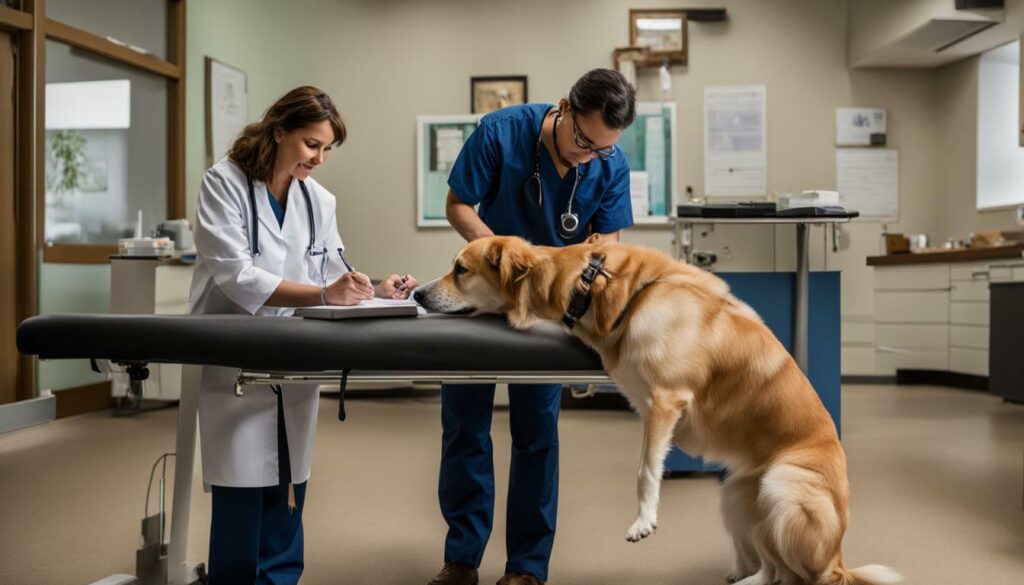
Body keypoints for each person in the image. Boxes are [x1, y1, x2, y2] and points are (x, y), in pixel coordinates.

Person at [189, 86, 417, 584]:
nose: (319, 157)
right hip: (235, 351)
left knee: (291, 480)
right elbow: (237, 277)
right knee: (241, 482)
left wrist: (373, 288)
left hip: (295, 353)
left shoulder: (319, 200)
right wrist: (322, 294)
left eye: (327, 148)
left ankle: (281, 579)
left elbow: (334, 270)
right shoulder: (222, 184)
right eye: (312, 144)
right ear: (278, 131)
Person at [427, 69, 637, 585]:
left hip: (544, 313)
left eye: (601, 149)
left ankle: (525, 568)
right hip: (478, 298)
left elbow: (604, 247)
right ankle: (461, 560)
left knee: (537, 434)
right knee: (464, 430)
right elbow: (457, 204)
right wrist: (502, 260)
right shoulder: (501, 132)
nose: (587, 155)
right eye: (582, 140)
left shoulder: (609, 164)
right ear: (564, 108)